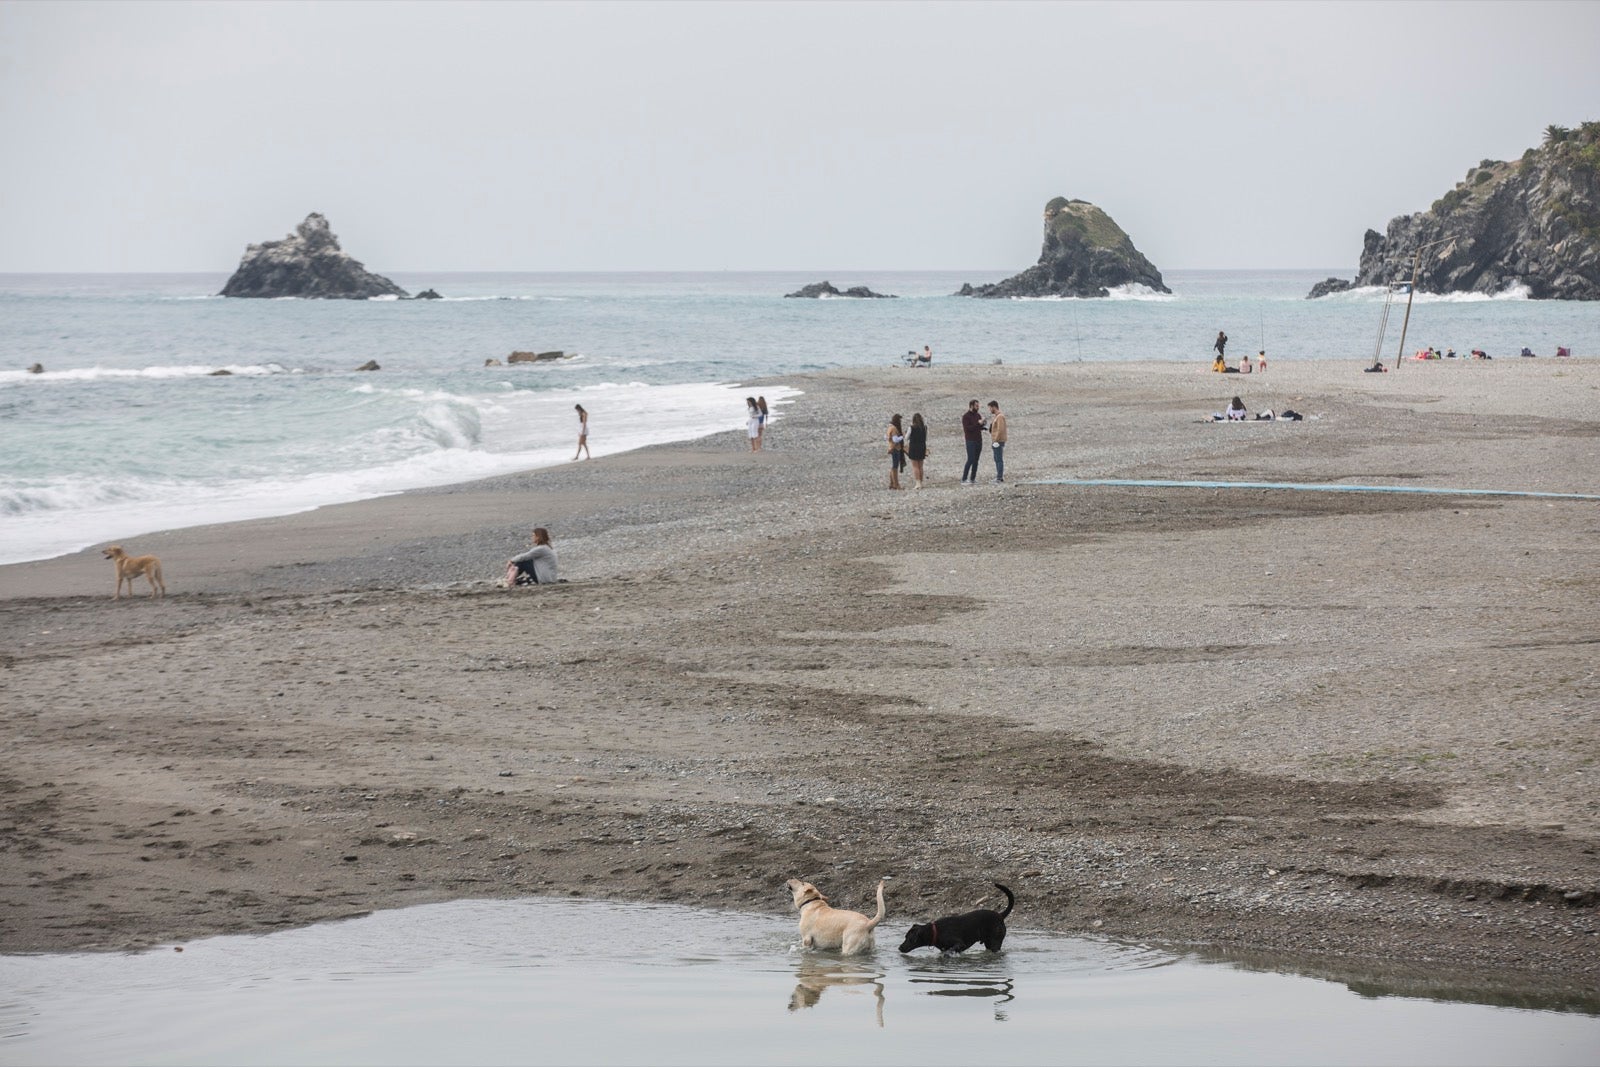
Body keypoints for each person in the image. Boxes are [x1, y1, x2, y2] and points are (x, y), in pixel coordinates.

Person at [960, 399, 985, 485]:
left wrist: (982, 424)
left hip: (978, 440)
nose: (978, 407)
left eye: (978, 406)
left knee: (976, 460)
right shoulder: (966, 417)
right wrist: (978, 424)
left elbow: (978, 427)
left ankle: (972, 478)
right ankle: (964, 479)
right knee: (970, 459)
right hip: (970, 441)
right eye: (976, 406)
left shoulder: (978, 415)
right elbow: (968, 429)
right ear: (971, 406)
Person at [986, 400, 1007, 484]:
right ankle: (999, 476)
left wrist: (996, 440)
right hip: (996, 441)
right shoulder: (997, 416)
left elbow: (1000, 429)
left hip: (998, 441)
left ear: (994, 407)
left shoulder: (1000, 417)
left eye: (990, 408)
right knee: (997, 458)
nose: (990, 410)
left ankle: (999, 477)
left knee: (998, 459)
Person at [907, 412, 929, 489]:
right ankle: (921, 482)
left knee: (915, 466)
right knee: (920, 466)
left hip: (913, 447)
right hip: (922, 446)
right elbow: (926, 438)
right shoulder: (925, 427)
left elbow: (906, 437)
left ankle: (918, 483)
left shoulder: (911, 428)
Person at [886, 413, 906, 490]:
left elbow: (887, 437)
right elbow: (895, 440)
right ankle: (896, 484)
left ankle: (891, 483)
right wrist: (902, 436)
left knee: (893, 466)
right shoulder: (894, 429)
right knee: (895, 467)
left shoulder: (889, 427)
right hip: (895, 449)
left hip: (891, 447)